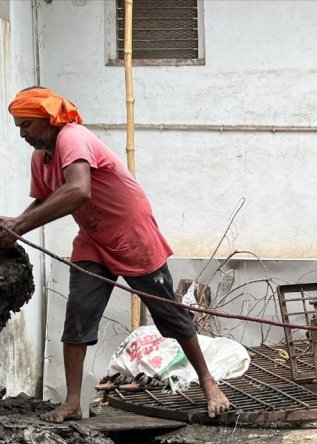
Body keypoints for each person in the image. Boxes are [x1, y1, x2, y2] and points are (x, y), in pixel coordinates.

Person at [1, 86, 230, 422]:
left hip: (131, 235)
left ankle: (208, 382)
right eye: (19, 126)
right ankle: (73, 402)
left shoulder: (72, 137)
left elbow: (79, 190)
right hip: (93, 239)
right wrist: (17, 222)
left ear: (48, 120)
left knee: (171, 317)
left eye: (27, 125)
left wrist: (20, 225)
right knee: (78, 316)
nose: (22, 133)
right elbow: (46, 199)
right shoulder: (41, 158)